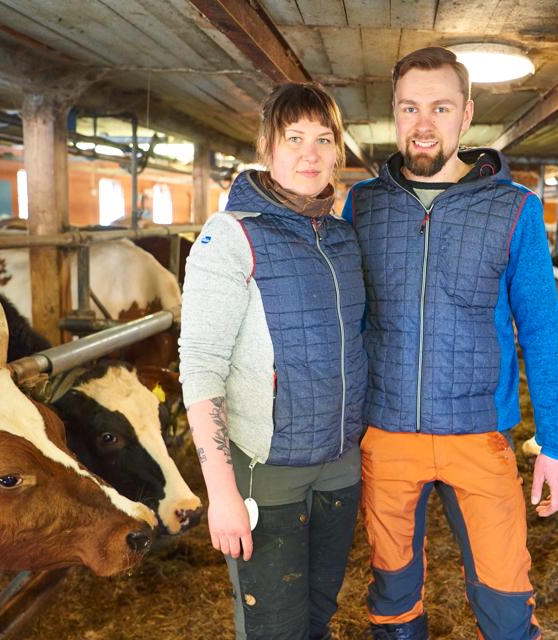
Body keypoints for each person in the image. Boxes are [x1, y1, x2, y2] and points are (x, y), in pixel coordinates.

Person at [341, 47, 558, 640]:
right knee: (391, 589)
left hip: (479, 432)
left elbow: (542, 327)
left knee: (504, 593)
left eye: (440, 108)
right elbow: (346, 316)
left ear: (466, 114)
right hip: (386, 429)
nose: (424, 124)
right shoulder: (363, 204)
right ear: (394, 113)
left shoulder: (514, 208)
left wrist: (556, 443)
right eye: (410, 108)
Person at [179, 82, 366, 640]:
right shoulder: (231, 235)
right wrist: (222, 493)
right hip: (267, 474)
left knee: (319, 615)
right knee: (274, 628)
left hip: (340, 467)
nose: (310, 154)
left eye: (323, 139)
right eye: (293, 139)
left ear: (338, 151)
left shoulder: (342, 237)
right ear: (267, 147)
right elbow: (201, 366)